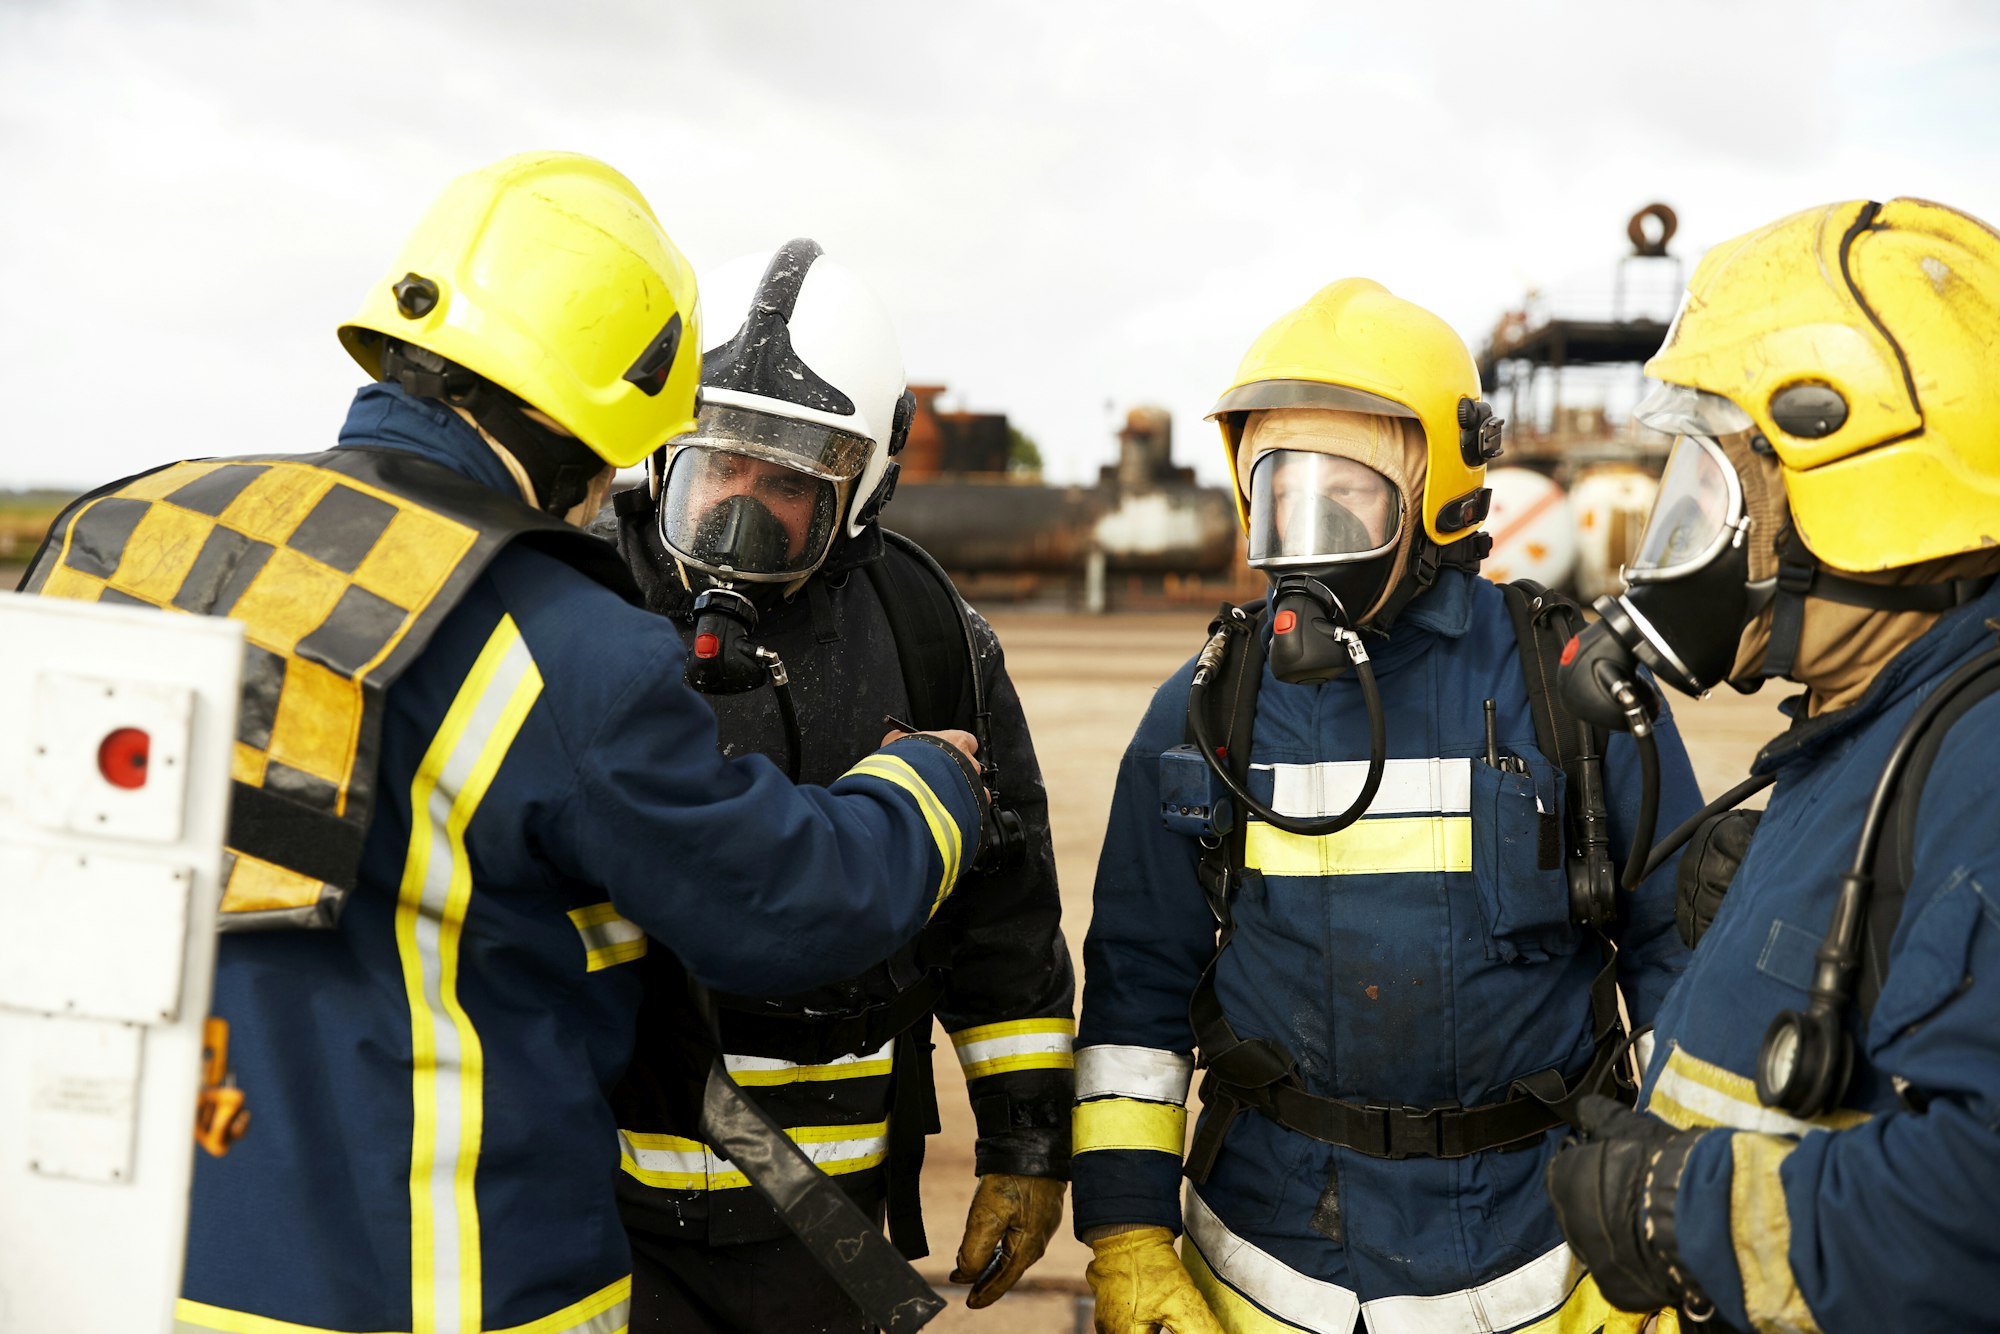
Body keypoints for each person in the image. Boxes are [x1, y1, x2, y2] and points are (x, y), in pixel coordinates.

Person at [20, 153, 988, 1334]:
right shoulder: (562, 645)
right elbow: (782, 899)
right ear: (613, 412)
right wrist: (922, 783)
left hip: (111, 1263)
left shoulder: (128, 536)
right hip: (432, 1283)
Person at [1071, 278, 1702, 1334]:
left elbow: (1682, 965)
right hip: (1268, 1275)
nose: (1306, 525)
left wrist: (1657, 1228)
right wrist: (1127, 1228)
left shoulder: (1568, 684)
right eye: (1280, 486)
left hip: (1535, 1269)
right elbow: (1136, 986)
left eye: (1344, 489)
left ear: (1438, 490)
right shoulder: (1206, 705)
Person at [595, 239, 1074, 1332]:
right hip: (597, 1210)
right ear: (664, 453)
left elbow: (1004, 916)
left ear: (859, 488)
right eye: (720, 464)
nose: (739, 508)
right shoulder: (581, 598)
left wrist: (1025, 1143)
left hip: (825, 1227)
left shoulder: (924, 632)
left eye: (787, 481)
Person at [1545, 197, 2000, 1333]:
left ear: (1857, 487)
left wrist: (1671, 1207)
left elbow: (1976, 1202)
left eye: (1722, 487)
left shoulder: (1979, 761)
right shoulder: (1870, 719)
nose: (1689, 533)